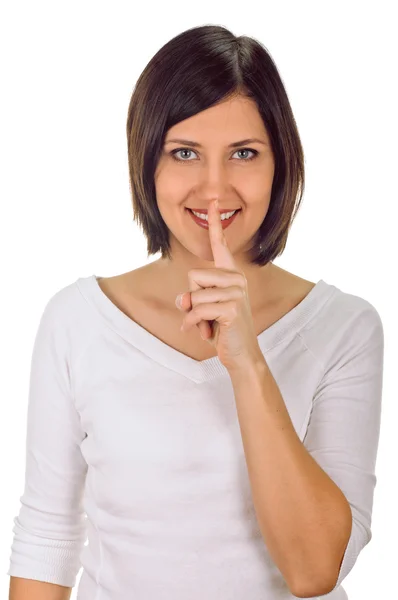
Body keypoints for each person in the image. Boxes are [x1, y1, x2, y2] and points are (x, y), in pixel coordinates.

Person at [8, 24, 384, 600]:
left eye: (244, 154)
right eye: (185, 153)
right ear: (147, 162)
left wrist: (248, 364)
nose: (214, 188)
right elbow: (47, 540)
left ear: (280, 163)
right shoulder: (78, 320)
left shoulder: (344, 328)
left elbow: (315, 570)